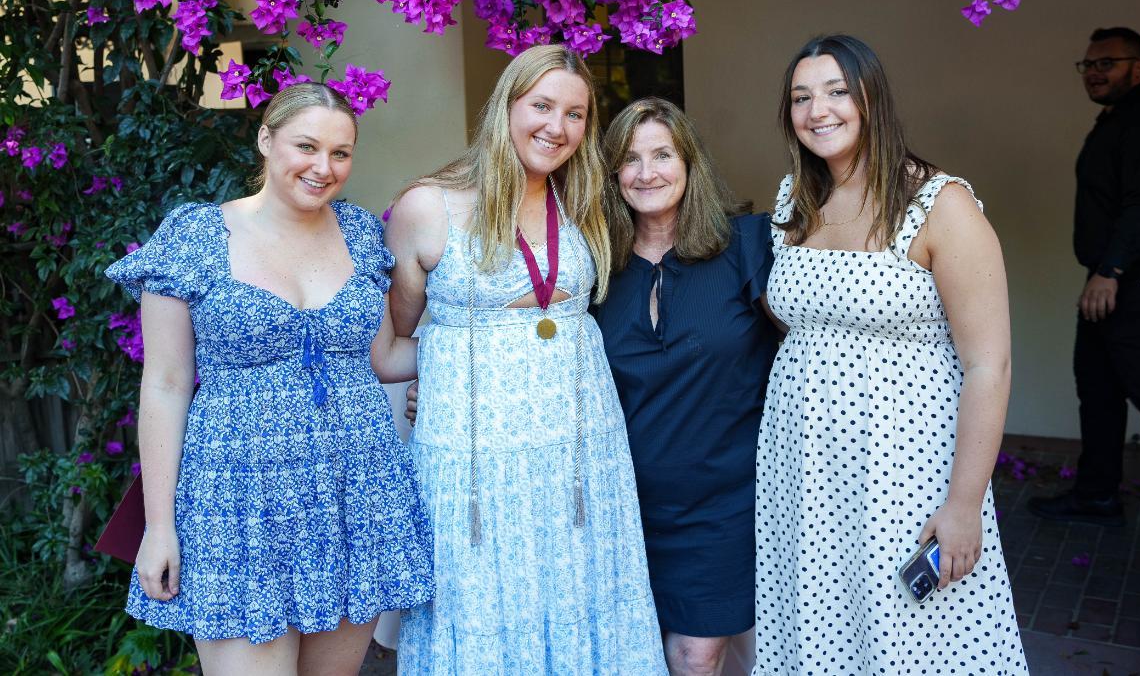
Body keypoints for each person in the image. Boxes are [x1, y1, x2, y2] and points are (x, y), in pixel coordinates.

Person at [106, 83, 435, 675]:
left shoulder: (361, 234)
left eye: (340, 152)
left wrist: (490, 348)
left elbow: (386, 356)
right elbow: (166, 385)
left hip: (354, 496)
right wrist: (159, 526)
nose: (323, 167)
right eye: (306, 146)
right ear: (265, 139)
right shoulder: (196, 237)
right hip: (239, 504)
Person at [386, 44, 667, 674]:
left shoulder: (586, 201)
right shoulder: (428, 207)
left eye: (575, 114)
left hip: (580, 456)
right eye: (541, 105)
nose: (556, 127)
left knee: (584, 595)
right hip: (477, 464)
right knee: (481, 606)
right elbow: (391, 347)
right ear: (506, 107)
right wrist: (445, 370)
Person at [754, 34, 1026, 674]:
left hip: (904, 465)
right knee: (819, 620)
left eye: (836, 91)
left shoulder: (940, 203)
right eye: (801, 97)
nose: (818, 110)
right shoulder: (795, 196)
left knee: (911, 632)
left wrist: (964, 504)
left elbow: (989, 365)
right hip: (803, 462)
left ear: (871, 98)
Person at [592, 97, 777, 676]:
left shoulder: (748, 245)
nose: (646, 173)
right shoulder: (594, 266)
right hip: (620, 502)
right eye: (630, 159)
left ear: (690, 163)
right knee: (632, 652)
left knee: (696, 655)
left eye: (663, 155)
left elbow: (810, 344)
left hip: (723, 500)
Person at [1028, 27, 1140, 527]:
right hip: (1106, 279)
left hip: (1134, 280)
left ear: (1138, 68)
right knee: (1099, 388)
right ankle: (1096, 495)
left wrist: (1111, 271)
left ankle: (1097, 494)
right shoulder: (1115, 120)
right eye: (1089, 64)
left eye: (1108, 63)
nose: (1095, 72)